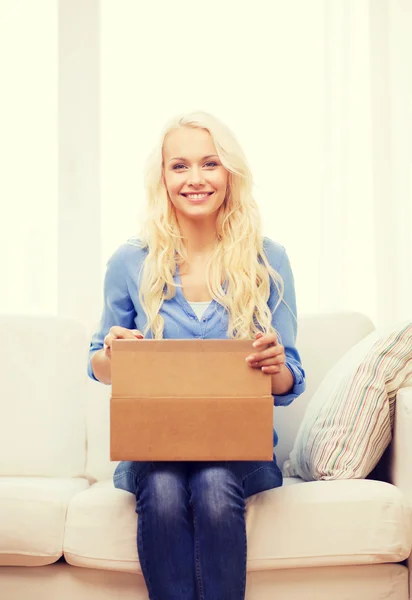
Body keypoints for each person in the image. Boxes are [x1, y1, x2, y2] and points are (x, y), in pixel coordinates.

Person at [87, 110, 306, 600]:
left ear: (230, 172)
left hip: (238, 449)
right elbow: (97, 363)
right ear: (162, 177)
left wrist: (274, 370)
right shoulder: (130, 260)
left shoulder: (268, 260)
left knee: (211, 484)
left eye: (210, 163)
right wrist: (113, 353)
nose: (195, 179)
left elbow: (291, 376)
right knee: (162, 490)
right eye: (179, 166)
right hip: (155, 448)